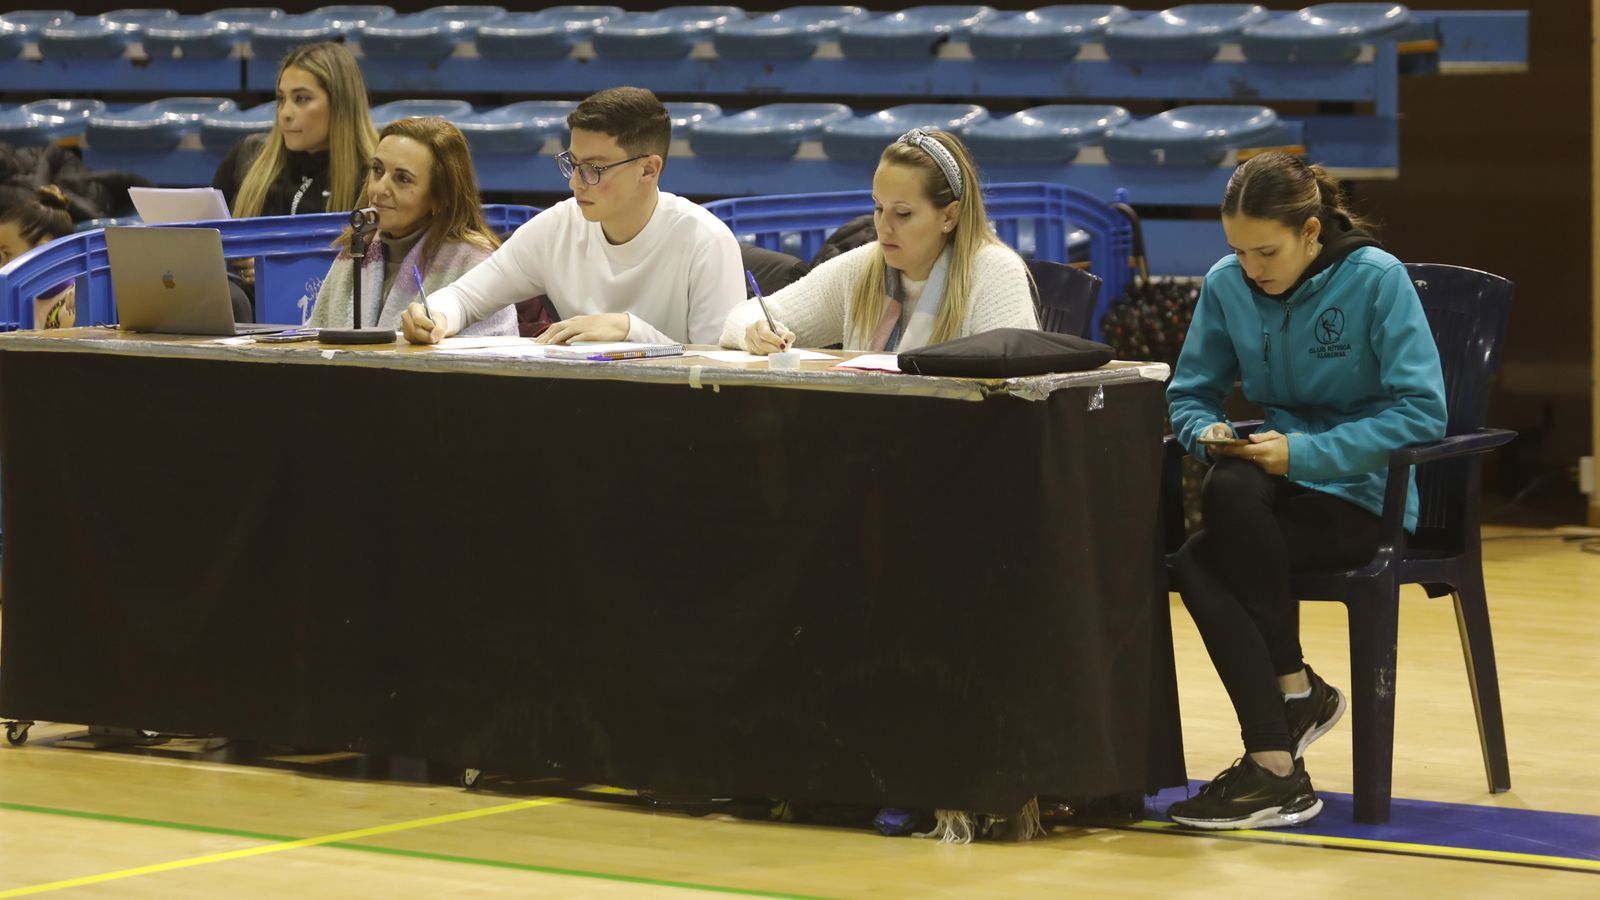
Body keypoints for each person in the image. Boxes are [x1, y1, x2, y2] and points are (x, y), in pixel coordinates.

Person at [1164, 152, 1447, 830]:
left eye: (1267, 251)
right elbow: (1188, 396)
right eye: (1238, 250)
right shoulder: (1228, 284)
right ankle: (1290, 709)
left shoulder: (1376, 279)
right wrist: (1208, 431)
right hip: (1278, 482)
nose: (1252, 268)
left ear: (1311, 233)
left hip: (1365, 496)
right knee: (1227, 485)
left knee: (1201, 564)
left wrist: (1305, 453)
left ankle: (1278, 755)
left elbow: (1422, 412)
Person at [400, 86, 743, 346]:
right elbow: (465, 297)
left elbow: (722, 368)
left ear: (648, 170)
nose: (577, 183)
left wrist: (629, 330)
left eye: (594, 168)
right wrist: (434, 316)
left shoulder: (706, 240)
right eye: (573, 164)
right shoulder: (559, 226)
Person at [719, 129, 1037, 355]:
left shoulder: (996, 271)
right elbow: (742, 317)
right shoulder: (864, 266)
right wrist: (757, 332)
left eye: (903, 214)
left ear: (949, 216)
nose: (883, 227)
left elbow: (1014, 387)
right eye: (878, 208)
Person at [306, 117, 516, 336]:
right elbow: (314, 342)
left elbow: (492, 358)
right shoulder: (357, 250)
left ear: (440, 197)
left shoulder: (474, 263)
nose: (380, 189)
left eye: (402, 179)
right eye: (377, 170)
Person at [212, 41, 379, 313]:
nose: (286, 113)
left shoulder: (372, 176)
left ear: (340, 103)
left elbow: (378, 271)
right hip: (244, 313)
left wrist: (277, 271)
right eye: (281, 99)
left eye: (302, 99)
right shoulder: (248, 156)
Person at [0, 185, 76, 329]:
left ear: (42, 251)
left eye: (8, 254)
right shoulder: (12, 299)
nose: (2, 267)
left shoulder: (75, 300)